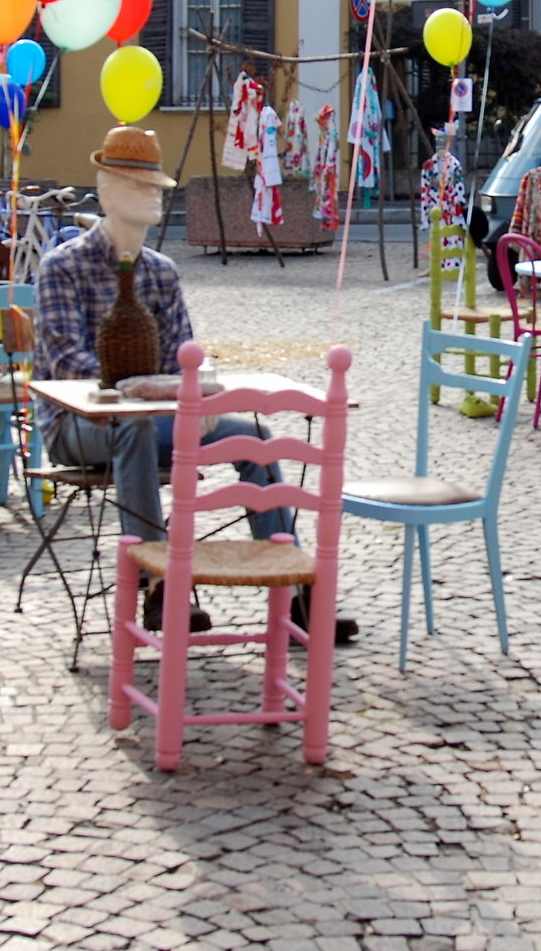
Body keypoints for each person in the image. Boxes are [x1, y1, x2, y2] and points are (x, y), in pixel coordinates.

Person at [34, 126, 357, 642]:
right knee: (131, 431)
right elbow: (71, 366)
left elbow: (184, 357)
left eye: (155, 188)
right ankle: (163, 585)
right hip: (78, 425)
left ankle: (298, 587)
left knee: (250, 435)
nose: (153, 197)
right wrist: (147, 392)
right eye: (140, 187)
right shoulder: (62, 267)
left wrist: (197, 393)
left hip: (153, 416)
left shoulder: (161, 272)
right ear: (108, 190)